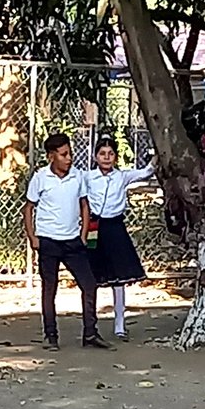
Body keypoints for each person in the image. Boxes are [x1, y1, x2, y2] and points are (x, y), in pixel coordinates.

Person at [23, 133, 112, 351]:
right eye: (63, 155)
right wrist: (33, 237)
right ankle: (50, 335)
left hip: (73, 242)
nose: (69, 158)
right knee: (49, 289)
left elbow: (84, 205)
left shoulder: (77, 177)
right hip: (48, 241)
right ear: (51, 156)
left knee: (89, 285)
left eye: (70, 153)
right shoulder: (41, 178)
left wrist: (83, 235)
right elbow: (28, 208)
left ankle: (90, 333)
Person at [85, 137, 154, 340]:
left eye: (110, 154)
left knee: (119, 277)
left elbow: (147, 172)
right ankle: (90, 323)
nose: (106, 158)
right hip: (94, 227)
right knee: (93, 274)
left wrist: (158, 155)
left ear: (116, 157)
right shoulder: (87, 177)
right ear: (95, 156)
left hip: (115, 227)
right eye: (102, 154)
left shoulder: (122, 176)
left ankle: (119, 324)